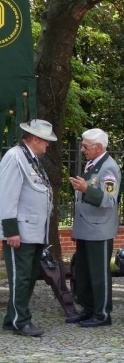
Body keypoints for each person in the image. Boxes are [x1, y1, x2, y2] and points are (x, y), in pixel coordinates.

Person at [0, 120, 57, 337]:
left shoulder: (30, 158)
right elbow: (7, 195)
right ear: (34, 139)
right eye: (46, 141)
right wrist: (11, 230)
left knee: (29, 275)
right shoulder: (15, 157)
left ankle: (12, 317)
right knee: (21, 277)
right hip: (21, 231)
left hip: (33, 231)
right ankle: (20, 321)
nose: (48, 145)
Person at [67, 128, 121, 327]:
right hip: (86, 228)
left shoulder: (109, 167)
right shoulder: (92, 164)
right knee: (83, 272)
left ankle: (103, 314)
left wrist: (86, 189)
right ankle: (89, 309)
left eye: (86, 146)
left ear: (99, 147)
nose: (82, 149)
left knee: (99, 274)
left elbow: (109, 200)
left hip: (99, 229)